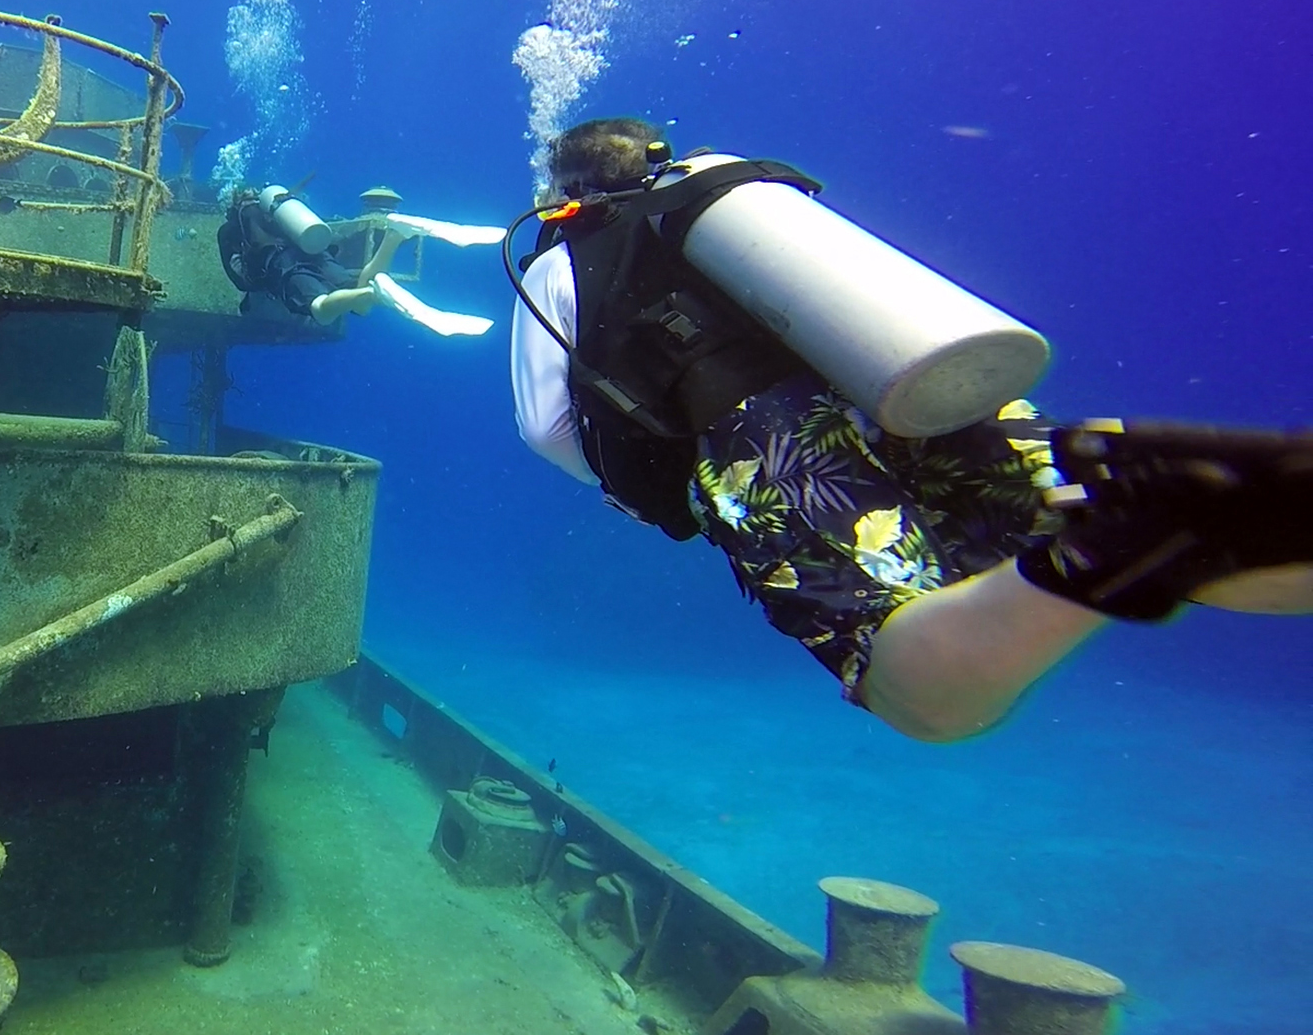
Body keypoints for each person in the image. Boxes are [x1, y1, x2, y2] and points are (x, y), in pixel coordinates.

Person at [509, 117, 1313, 742]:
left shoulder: (557, 256)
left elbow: (547, 429)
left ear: (566, 187)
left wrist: (634, 483)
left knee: (908, 683)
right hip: (906, 382)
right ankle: (1176, 495)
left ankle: (1109, 551)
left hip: (758, 436)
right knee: (1086, 502)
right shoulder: (724, 193)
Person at [218, 185, 496, 336]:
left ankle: (375, 292)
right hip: (315, 252)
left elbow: (239, 280)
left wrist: (257, 280)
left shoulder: (232, 227)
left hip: (281, 265)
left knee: (320, 310)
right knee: (360, 303)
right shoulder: (277, 210)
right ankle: (394, 236)